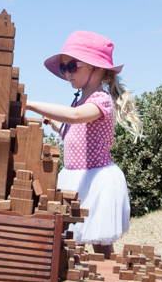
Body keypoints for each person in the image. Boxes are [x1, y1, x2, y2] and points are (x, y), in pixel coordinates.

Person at [25, 31, 143, 258]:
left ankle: (108, 281)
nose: (67, 73)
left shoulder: (101, 100)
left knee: (101, 243)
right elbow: (75, 132)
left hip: (96, 180)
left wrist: (30, 105)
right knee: (70, 242)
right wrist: (56, 126)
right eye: (63, 68)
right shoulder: (81, 100)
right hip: (74, 178)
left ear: (96, 68)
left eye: (71, 66)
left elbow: (76, 116)